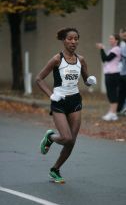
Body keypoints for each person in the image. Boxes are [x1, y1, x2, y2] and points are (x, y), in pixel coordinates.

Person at [36, 27, 96, 183]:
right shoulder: (57, 59)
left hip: (75, 101)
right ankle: (50, 137)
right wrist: (51, 95)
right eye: (70, 39)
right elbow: (39, 79)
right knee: (66, 138)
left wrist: (89, 81)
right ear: (63, 40)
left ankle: (55, 169)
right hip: (59, 101)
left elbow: (85, 79)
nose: (73, 42)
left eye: (76, 39)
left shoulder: (81, 60)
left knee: (72, 141)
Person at [96, 34, 121, 121]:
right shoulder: (112, 49)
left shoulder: (116, 49)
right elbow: (104, 59)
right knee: (110, 93)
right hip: (109, 74)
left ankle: (113, 113)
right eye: (109, 38)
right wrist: (102, 49)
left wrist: (102, 48)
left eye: (111, 39)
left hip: (113, 74)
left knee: (112, 93)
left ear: (116, 40)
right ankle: (112, 112)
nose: (110, 40)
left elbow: (106, 59)